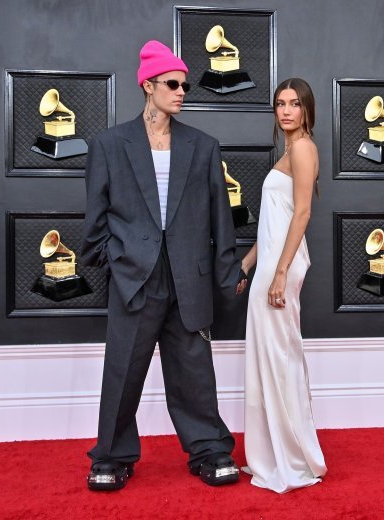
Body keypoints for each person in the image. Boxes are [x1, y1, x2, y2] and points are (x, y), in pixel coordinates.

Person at [82, 40, 247, 491]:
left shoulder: (203, 145)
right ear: (148, 85)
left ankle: (210, 451)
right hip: (134, 275)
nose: (181, 92)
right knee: (123, 371)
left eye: (185, 86)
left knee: (194, 370)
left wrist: (226, 271)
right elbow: (95, 219)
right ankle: (112, 456)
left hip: (187, 275)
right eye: (172, 84)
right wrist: (114, 262)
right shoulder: (110, 145)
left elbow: (220, 219)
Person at [240, 78, 327, 493]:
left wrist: (277, 272)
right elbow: (272, 223)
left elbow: (303, 214)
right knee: (268, 360)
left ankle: (293, 460)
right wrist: (246, 265)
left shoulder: (305, 149)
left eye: (294, 103)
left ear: (307, 109)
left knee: (280, 360)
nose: (286, 110)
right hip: (271, 264)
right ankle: (272, 454)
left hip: (283, 266)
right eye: (280, 104)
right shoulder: (289, 151)